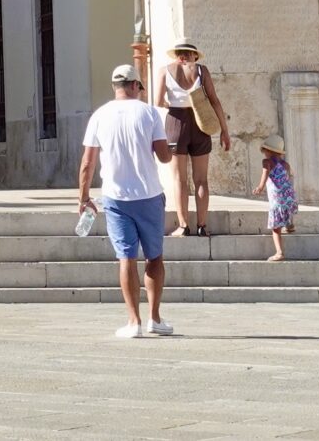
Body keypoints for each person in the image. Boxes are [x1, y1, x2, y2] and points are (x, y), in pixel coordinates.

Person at [78, 62, 176, 339]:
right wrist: (170, 151)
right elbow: (163, 155)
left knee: (126, 258)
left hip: (115, 196)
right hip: (148, 195)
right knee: (154, 257)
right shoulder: (148, 113)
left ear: (115, 87)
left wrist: (83, 197)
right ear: (135, 86)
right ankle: (154, 318)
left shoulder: (99, 115)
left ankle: (133, 321)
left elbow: (87, 162)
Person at [155, 39, 229, 237]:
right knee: (201, 179)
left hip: (176, 122)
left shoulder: (165, 70)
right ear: (193, 55)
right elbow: (215, 101)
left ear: (177, 54)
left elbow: (157, 100)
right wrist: (224, 130)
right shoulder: (201, 71)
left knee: (180, 179)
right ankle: (202, 226)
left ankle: (183, 225)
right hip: (200, 123)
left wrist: (169, 102)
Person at [258, 138, 298, 261]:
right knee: (286, 208)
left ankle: (279, 253)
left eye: (265, 150)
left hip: (277, 197)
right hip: (289, 195)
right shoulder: (286, 164)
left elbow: (265, 174)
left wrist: (260, 187)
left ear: (268, 151)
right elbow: (289, 177)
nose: (264, 152)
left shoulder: (267, 162)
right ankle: (289, 223)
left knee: (276, 228)